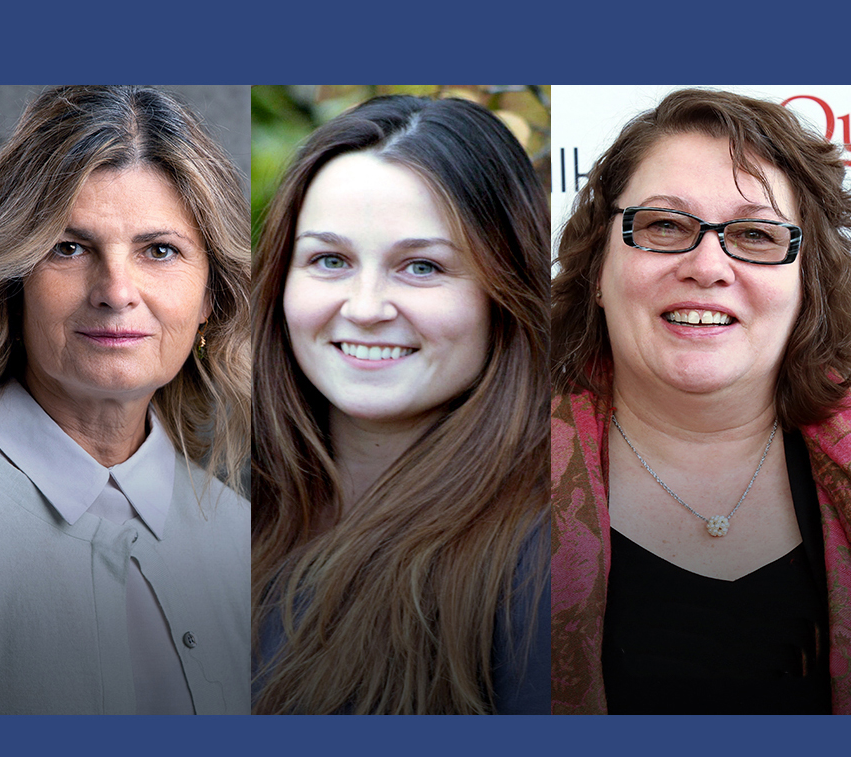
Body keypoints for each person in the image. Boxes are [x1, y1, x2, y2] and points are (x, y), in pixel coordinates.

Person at [0, 85, 252, 714]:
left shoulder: (241, 537)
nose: (117, 292)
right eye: (69, 248)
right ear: (14, 282)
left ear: (211, 300)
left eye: (160, 250)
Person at [551, 88, 851, 714]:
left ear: (808, 287)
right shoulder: (485, 475)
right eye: (665, 226)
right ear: (596, 271)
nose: (708, 266)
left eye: (757, 234)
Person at [252, 94, 550, 714]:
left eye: (421, 267)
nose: (364, 307)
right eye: (329, 260)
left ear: (506, 291)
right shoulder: (218, 497)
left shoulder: (542, 556)